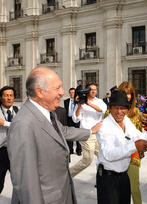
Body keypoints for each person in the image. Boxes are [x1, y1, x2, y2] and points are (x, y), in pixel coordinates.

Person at [7, 67, 102, 204]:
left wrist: (90, 131)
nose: (62, 92)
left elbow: (62, 131)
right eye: (57, 88)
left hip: (61, 194)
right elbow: (26, 183)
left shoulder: (47, 113)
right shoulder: (23, 125)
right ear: (40, 92)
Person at [96, 90, 147, 204]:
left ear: (127, 109)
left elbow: (138, 135)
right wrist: (135, 146)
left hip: (124, 176)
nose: (119, 112)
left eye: (123, 108)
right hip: (108, 179)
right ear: (110, 108)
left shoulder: (126, 121)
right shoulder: (104, 126)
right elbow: (109, 154)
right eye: (116, 108)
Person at [70, 82, 107, 177]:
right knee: (87, 160)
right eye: (91, 89)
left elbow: (102, 110)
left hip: (99, 135)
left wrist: (88, 103)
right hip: (86, 134)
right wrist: (79, 106)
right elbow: (75, 119)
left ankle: (100, 179)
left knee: (103, 157)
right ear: (87, 91)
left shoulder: (99, 101)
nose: (93, 91)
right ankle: (68, 175)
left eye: (95, 89)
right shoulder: (81, 103)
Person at [117, 81, 143, 204]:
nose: (127, 96)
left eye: (130, 94)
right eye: (125, 93)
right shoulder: (110, 113)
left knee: (134, 188)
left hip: (132, 155)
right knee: (119, 190)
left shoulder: (136, 113)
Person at [0, 86, 18, 194]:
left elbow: (21, 126)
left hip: (15, 152)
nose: (9, 98)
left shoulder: (18, 110)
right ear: (1, 97)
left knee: (19, 183)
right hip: (1, 152)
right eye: (6, 95)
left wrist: (5, 123)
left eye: (11, 95)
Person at [64, 87, 82, 155]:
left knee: (78, 135)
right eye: (70, 93)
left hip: (76, 120)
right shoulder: (66, 101)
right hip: (69, 119)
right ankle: (70, 150)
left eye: (73, 93)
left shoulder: (78, 101)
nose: (72, 94)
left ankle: (79, 150)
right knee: (70, 135)